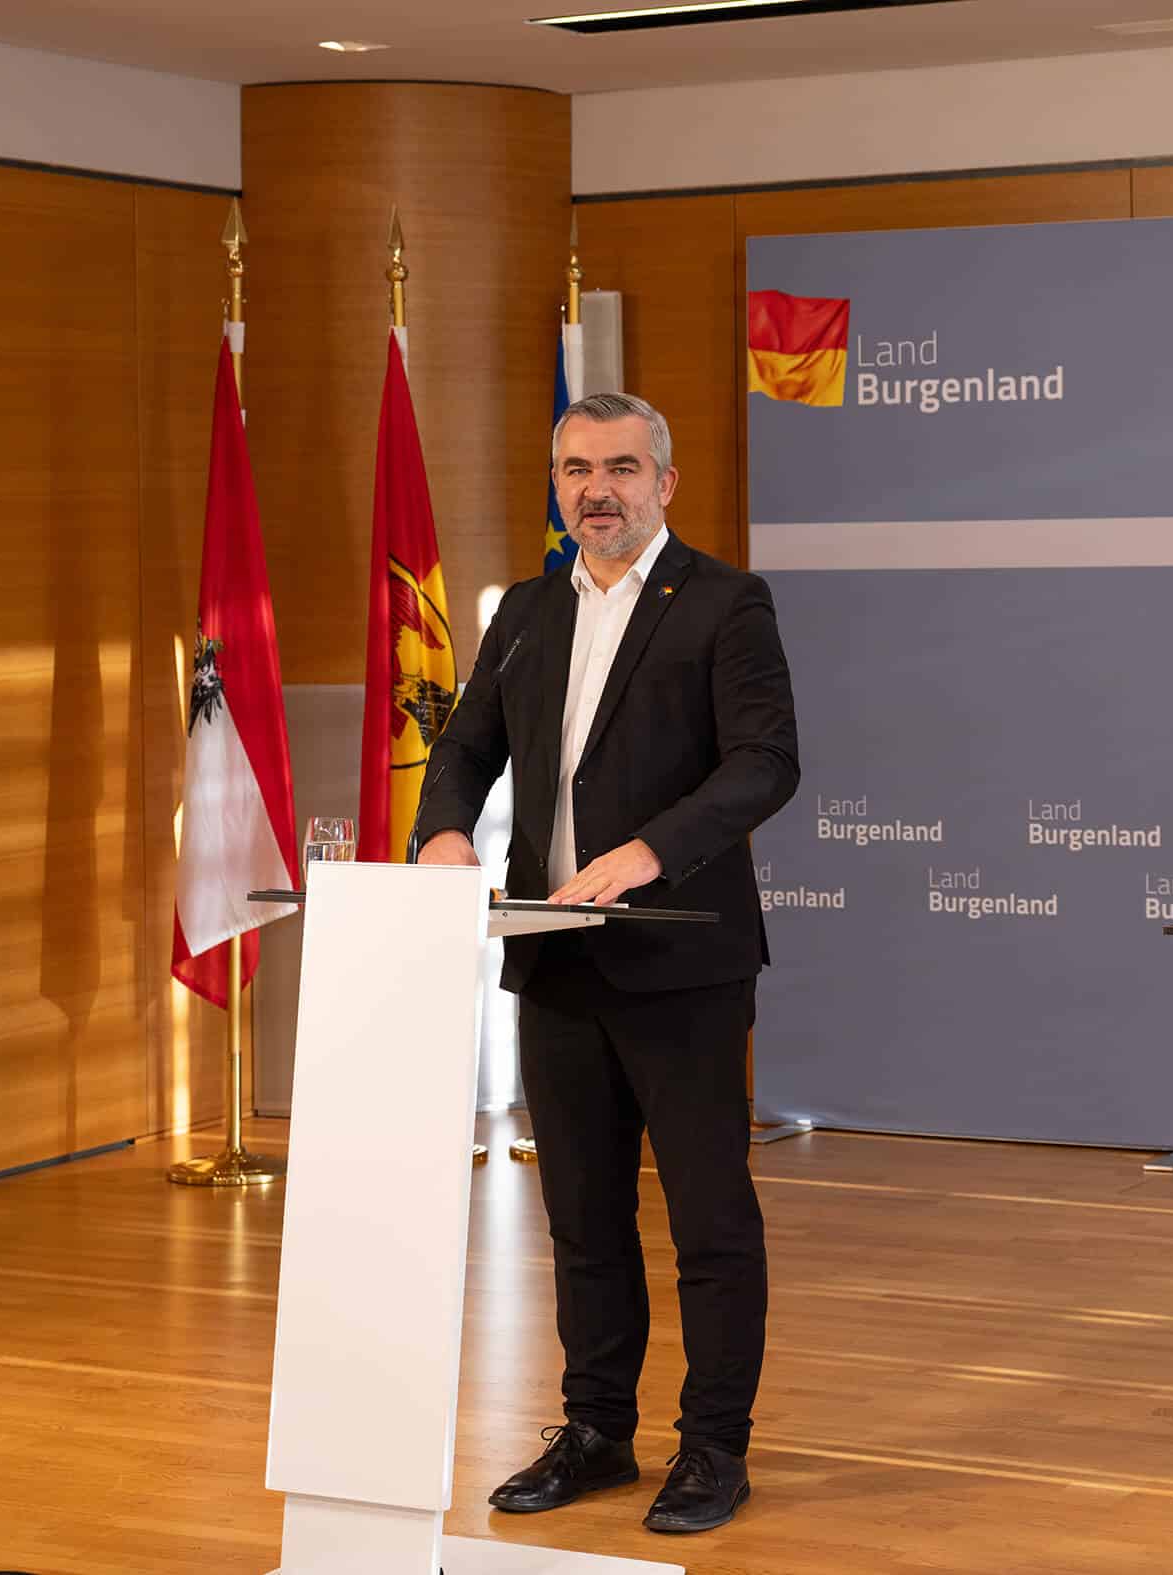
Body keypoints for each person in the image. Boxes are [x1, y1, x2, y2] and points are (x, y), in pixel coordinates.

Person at [413, 391, 799, 1535]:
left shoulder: (726, 602)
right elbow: (466, 743)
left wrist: (645, 853)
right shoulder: (529, 610)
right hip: (555, 959)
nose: (598, 490)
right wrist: (441, 828)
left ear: (663, 484)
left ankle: (713, 1450)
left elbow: (765, 764)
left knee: (709, 1222)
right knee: (580, 1219)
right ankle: (595, 1434)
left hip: (681, 959)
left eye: (622, 468)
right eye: (577, 469)